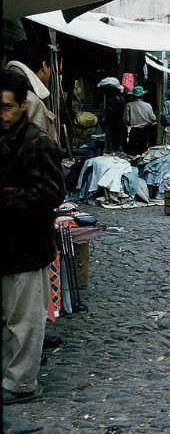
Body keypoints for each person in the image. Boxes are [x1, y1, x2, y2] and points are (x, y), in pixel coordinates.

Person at [1, 69, 65, 405]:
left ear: (23, 106)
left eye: (7, 107)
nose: (2, 115)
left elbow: (51, 195)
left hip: (27, 245)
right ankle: (9, 375)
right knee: (6, 320)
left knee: (24, 322)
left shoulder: (39, 142)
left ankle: (22, 384)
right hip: (5, 245)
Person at [6, 47, 57, 140]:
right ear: (44, 65)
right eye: (50, 67)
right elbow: (35, 147)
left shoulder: (9, 90)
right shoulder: (31, 100)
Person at [123, 85, 156, 155]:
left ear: (133, 96)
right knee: (143, 151)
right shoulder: (148, 105)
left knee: (133, 151)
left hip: (134, 131)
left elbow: (126, 120)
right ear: (142, 96)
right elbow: (153, 118)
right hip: (145, 131)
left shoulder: (128, 105)